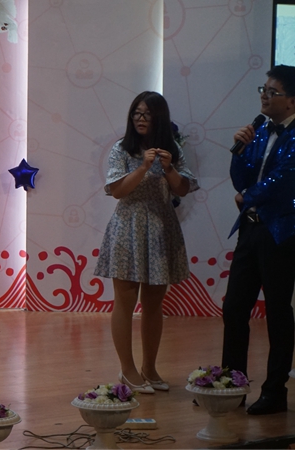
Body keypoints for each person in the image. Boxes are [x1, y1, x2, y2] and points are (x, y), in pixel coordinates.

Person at [94, 91, 198, 395]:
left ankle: (149, 368)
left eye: (147, 114)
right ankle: (127, 369)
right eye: (136, 113)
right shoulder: (121, 149)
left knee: (154, 304)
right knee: (125, 302)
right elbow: (117, 191)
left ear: (159, 118)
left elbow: (183, 188)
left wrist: (168, 168)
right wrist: (142, 167)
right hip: (128, 227)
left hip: (161, 228)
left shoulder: (172, 150)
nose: (140, 119)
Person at [222, 65, 295, 415]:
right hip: (250, 230)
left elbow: (284, 180)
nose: (264, 96)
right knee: (234, 308)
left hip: (280, 234)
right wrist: (239, 151)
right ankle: (230, 386)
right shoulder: (262, 129)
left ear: (292, 101)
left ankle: (274, 391)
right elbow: (242, 179)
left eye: (272, 91)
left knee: (277, 313)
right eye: (263, 90)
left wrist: (248, 196)